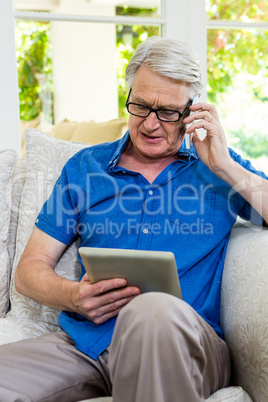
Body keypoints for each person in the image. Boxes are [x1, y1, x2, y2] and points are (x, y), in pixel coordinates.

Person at [1, 36, 267, 402]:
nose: (151, 124)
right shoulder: (86, 168)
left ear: (191, 112)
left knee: (152, 310)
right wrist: (74, 296)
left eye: (168, 112)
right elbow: (29, 269)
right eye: (140, 106)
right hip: (88, 345)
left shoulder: (218, 167)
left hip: (184, 346)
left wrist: (223, 165)